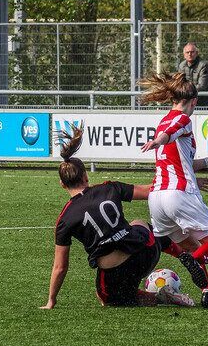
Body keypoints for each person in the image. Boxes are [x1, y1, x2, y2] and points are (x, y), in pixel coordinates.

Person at [40, 125, 196, 309]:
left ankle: (160, 298)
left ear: (62, 184)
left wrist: (52, 299)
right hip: (147, 253)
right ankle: (183, 254)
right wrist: (184, 183)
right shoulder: (108, 187)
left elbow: (60, 267)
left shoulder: (65, 218)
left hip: (117, 270)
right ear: (85, 176)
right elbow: (149, 191)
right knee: (138, 223)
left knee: (108, 298)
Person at [140, 72, 208, 308]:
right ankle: (191, 260)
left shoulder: (163, 120)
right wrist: (160, 140)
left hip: (157, 198)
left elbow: (181, 161)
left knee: (193, 246)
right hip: (179, 195)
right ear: (194, 101)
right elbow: (173, 128)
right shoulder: (182, 120)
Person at [178, 42, 208, 108]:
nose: (190, 54)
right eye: (187, 52)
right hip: (192, 99)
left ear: (196, 53)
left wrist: (186, 91)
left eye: (192, 52)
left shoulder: (203, 65)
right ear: (184, 55)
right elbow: (180, 83)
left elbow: (202, 86)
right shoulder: (181, 66)